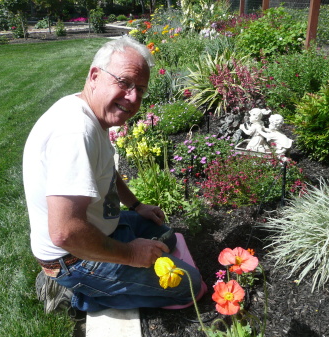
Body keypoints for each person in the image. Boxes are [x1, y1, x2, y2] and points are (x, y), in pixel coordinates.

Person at [23, 37, 203, 316]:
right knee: (188, 285)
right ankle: (73, 295)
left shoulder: (92, 112)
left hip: (98, 228)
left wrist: (136, 206)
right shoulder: (75, 132)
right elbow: (65, 232)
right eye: (125, 82)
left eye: (140, 90)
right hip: (74, 257)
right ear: (95, 76)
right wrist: (132, 254)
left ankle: (123, 244)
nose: (133, 98)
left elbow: (107, 168)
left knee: (166, 238)